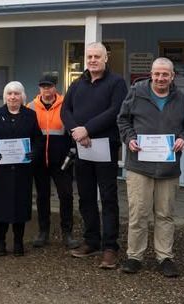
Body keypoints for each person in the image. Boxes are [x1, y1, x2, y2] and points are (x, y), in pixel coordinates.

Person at [117, 57, 184, 277]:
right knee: (138, 213)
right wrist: (129, 138)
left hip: (168, 168)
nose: (160, 78)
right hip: (139, 165)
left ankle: (164, 256)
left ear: (172, 76)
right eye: (157, 74)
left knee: (165, 214)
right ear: (151, 74)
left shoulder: (181, 98)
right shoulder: (136, 93)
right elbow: (123, 120)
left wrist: (183, 139)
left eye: (165, 74)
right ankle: (134, 256)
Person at [61, 42, 127, 269]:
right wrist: (76, 132)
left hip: (106, 147)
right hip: (83, 147)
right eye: (89, 56)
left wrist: (87, 129)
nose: (92, 60)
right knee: (86, 197)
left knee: (108, 198)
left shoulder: (116, 83)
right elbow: (65, 110)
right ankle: (91, 241)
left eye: (97, 56)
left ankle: (110, 248)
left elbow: (115, 110)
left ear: (106, 58)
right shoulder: (77, 83)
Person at [0, 81, 42, 257]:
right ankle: (0, 243)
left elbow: (38, 139)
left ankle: (18, 242)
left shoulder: (30, 115)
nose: (13, 97)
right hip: (2, 171)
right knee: (1, 207)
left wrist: (34, 152)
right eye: (9, 93)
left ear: (22, 96)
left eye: (16, 93)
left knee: (21, 206)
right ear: (5, 96)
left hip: (22, 170)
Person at [26, 73, 78, 249]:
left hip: (62, 161)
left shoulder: (66, 105)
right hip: (40, 162)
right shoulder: (31, 107)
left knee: (66, 196)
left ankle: (67, 233)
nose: (46, 90)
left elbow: (73, 130)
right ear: (39, 88)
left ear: (55, 87)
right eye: (43, 86)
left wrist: (72, 152)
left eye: (49, 86)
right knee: (42, 197)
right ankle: (43, 232)